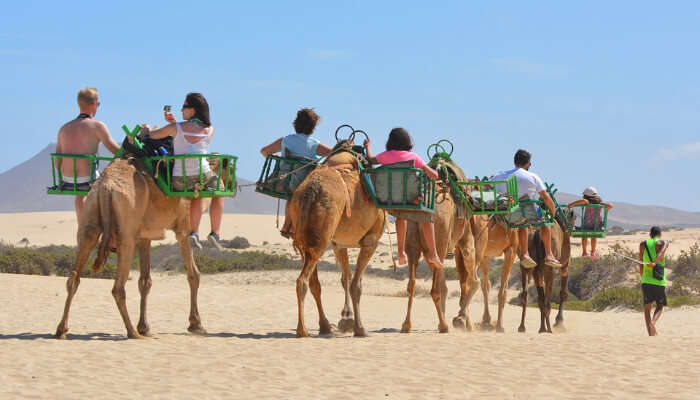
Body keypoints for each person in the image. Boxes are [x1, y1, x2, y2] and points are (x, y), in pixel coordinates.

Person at [142, 92, 224, 251]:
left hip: (180, 180)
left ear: (193, 110)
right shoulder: (210, 129)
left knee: (196, 191)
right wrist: (175, 123)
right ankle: (213, 233)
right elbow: (191, 135)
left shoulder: (175, 127)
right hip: (203, 176)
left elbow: (154, 136)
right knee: (218, 190)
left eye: (184, 106)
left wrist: (146, 130)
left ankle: (195, 233)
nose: (181, 110)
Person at [363, 127, 444, 269]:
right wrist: (433, 170)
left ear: (390, 142)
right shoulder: (413, 157)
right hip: (412, 199)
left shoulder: (385, 156)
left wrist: (367, 147)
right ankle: (433, 253)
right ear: (407, 141)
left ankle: (401, 252)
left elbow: (370, 160)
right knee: (427, 216)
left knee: (401, 216)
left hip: (390, 200)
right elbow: (434, 175)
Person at [259, 108, 332, 238]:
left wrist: (279, 159)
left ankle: (287, 225)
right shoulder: (314, 143)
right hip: (307, 185)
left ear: (296, 124)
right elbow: (333, 153)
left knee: (291, 195)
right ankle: (294, 226)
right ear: (313, 127)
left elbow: (264, 151)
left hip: (284, 182)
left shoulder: (285, 140)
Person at [55, 87, 120, 224]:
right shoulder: (97, 126)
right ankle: (113, 238)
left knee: (80, 196)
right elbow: (114, 149)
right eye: (98, 104)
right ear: (94, 104)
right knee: (117, 193)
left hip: (67, 180)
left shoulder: (64, 128)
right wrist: (130, 153)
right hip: (88, 179)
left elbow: (57, 161)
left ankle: (82, 228)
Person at [491, 149, 561, 268]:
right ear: (528, 163)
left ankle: (525, 253)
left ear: (515, 162)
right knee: (546, 221)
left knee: (522, 223)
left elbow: (486, 186)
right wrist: (553, 212)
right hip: (530, 214)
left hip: (507, 214)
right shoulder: (533, 176)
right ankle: (548, 254)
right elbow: (545, 196)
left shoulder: (500, 175)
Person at [638, 226, 669, 336]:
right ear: (660, 234)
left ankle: (651, 333)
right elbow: (660, 254)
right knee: (660, 306)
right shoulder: (663, 242)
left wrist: (642, 277)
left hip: (646, 280)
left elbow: (640, 261)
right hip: (659, 280)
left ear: (650, 234)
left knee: (647, 308)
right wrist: (655, 263)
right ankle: (652, 324)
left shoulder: (643, 244)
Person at [566, 187, 614, 258]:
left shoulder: (587, 202)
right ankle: (592, 252)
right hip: (597, 225)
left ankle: (584, 251)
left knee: (584, 236)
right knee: (594, 237)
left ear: (586, 196)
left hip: (587, 224)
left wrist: (571, 205)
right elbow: (610, 206)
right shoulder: (600, 203)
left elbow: (583, 201)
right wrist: (602, 204)